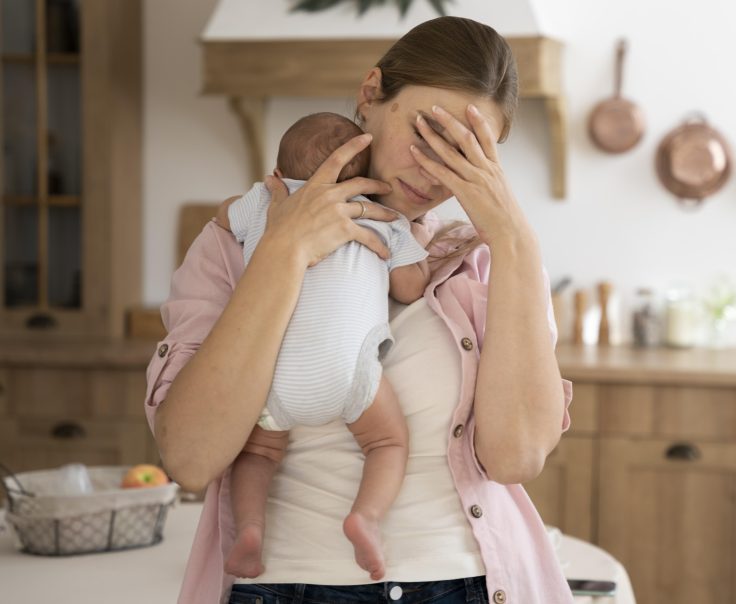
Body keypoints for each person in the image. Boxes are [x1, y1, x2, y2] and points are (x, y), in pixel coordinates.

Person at [145, 15, 574, 604]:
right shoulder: (236, 243)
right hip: (284, 588)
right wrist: (284, 252)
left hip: (466, 586)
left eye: (464, 154)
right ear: (370, 95)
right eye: (426, 137)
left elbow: (515, 456)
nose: (433, 172)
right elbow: (191, 458)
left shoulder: (485, 263)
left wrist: (514, 238)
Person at [215, 111, 431, 581]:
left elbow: (220, 218)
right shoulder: (384, 218)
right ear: (369, 180)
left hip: (271, 374)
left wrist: (258, 197)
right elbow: (412, 288)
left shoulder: (265, 203)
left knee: (256, 454)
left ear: (277, 175)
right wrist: (413, 242)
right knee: (387, 442)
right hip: (348, 372)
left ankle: (249, 531)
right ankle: (365, 517)